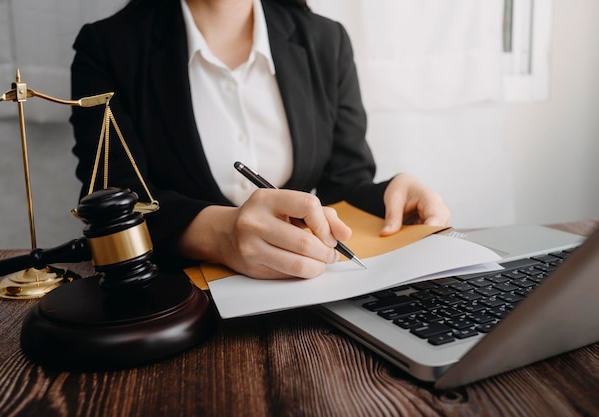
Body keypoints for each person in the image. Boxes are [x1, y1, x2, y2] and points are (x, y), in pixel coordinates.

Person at [70, 0, 450, 280]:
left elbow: (344, 185)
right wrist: (221, 234)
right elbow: (114, 204)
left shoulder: (325, 40)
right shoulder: (106, 48)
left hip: (311, 302)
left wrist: (389, 196)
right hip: (174, 302)